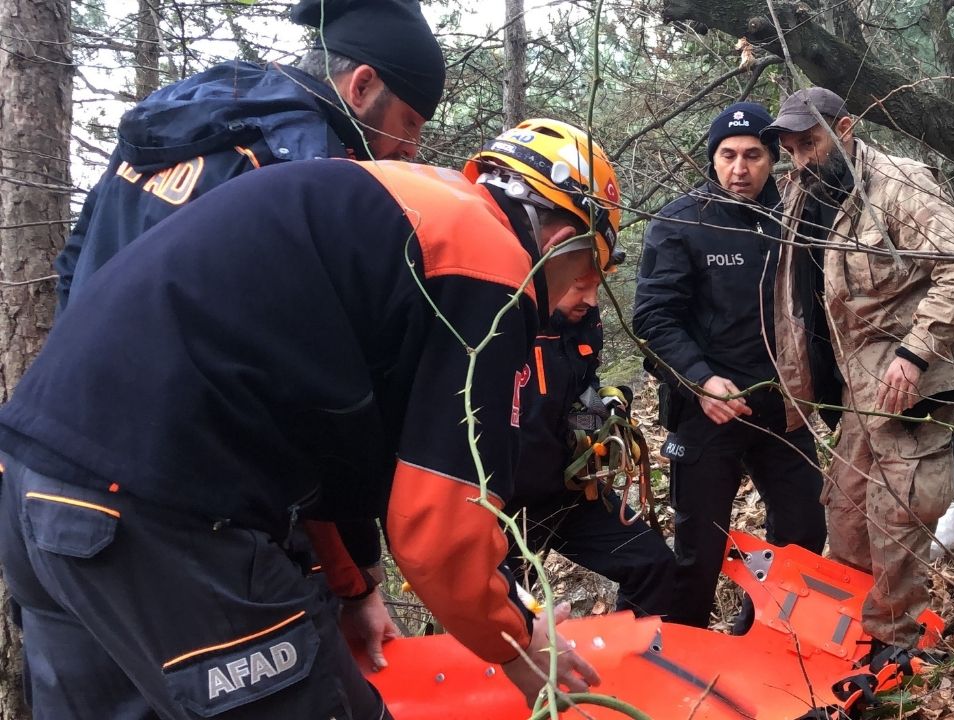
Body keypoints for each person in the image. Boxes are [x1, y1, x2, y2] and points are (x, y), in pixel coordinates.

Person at [0, 119, 622, 718]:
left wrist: (355, 588)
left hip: (38, 474)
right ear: (556, 236)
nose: (589, 294)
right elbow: (443, 525)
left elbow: (314, 437)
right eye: (591, 266)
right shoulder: (488, 263)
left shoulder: (396, 205)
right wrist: (517, 642)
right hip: (166, 505)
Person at [762, 87, 954, 667]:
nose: (799, 159)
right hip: (854, 389)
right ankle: (853, 624)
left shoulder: (899, 185)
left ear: (845, 128)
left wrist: (915, 354)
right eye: (790, 149)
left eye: (809, 143)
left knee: (903, 510)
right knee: (844, 504)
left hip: (909, 382)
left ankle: (897, 640)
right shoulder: (802, 188)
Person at [54, 0, 445, 312]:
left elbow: (78, 253)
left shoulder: (173, 109)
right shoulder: (308, 170)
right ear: (361, 86)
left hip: (67, 391)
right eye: (409, 121)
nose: (411, 147)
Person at [633, 102, 826, 630]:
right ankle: (680, 649)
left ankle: (755, 632)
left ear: (773, 159)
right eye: (727, 155)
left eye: (753, 155)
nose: (739, 169)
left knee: (803, 532)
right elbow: (652, 317)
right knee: (699, 548)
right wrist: (700, 380)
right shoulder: (680, 220)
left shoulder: (793, 217)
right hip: (707, 413)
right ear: (711, 158)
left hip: (780, 409)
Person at [505, 274, 676, 619]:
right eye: (578, 285)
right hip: (510, 512)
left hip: (572, 493)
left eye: (597, 287)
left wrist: (606, 408)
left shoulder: (583, 323)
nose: (591, 299)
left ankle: (635, 661)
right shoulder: (508, 324)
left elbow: (580, 394)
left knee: (652, 564)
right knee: (506, 617)